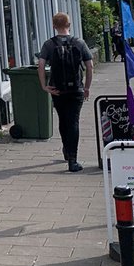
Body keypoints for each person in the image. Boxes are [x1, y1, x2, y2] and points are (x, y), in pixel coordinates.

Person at [37, 13, 94, 173]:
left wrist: (44, 86)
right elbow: (89, 66)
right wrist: (87, 87)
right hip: (76, 89)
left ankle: (66, 150)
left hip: (57, 89)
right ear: (69, 24)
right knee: (73, 122)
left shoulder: (49, 44)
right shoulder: (79, 43)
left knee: (63, 120)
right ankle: (73, 160)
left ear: (54, 26)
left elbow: (41, 65)